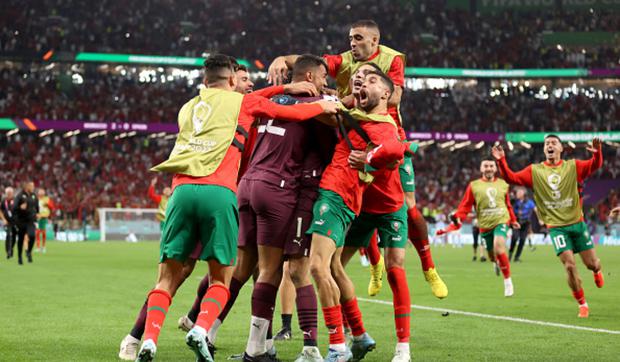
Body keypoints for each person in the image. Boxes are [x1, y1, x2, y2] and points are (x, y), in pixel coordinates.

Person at [132, 54, 337, 362]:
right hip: (241, 191)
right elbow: (289, 113)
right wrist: (326, 104)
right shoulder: (246, 105)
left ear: (204, 81)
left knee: (183, 274)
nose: (248, 84)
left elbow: (260, 103)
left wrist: (285, 89)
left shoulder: (189, 108)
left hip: (205, 189)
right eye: (241, 80)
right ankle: (238, 340)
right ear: (231, 81)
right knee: (252, 273)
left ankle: (146, 337)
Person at [267, 19, 447, 299]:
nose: (352, 42)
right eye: (351, 37)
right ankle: (373, 266)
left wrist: (347, 99)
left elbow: (394, 98)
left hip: (387, 136)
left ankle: (429, 266)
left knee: (407, 204)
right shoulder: (343, 60)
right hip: (353, 134)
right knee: (358, 207)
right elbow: (311, 63)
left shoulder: (393, 59)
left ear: (374, 41)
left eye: (359, 38)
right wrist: (282, 59)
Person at [307, 70, 408, 361]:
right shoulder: (363, 117)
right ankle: (360, 335)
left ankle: (338, 346)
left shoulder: (385, 126)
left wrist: (369, 158)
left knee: (317, 266)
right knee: (336, 267)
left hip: (336, 195)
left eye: (372, 80)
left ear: (387, 95)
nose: (363, 81)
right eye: (360, 78)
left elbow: (394, 152)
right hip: (347, 198)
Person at [493, 135, 604, 318]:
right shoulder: (535, 171)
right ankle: (582, 303)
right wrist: (501, 161)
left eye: (553, 143)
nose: (550, 145)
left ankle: (597, 271)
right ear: (544, 150)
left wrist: (598, 153)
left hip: (577, 224)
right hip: (556, 227)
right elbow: (511, 178)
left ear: (561, 148)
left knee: (592, 264)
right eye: (547, 144)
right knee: (569, 265)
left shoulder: (572, 166)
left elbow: (594, 165)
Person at [437, 158, 519, 297]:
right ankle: (495, 263)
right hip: (485, 225)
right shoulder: (474, 185)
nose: (488, 168)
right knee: (492, 256)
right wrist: (457, 219)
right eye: (486, 166)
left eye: (491, 166)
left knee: (499, 246)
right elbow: (465, 206)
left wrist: (513, 219)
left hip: (501, 220)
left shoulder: (503, 184)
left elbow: (507, 204)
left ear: (495, 168)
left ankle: (508, 281)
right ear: (481, 169)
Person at [13, 181, 39, 264]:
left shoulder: (34, 196)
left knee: (32, 236)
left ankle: (28, 252)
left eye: (33, 186)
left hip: (31, 220)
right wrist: (20, 207)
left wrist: (37, 214)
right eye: (31, 186)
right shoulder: (19, 196)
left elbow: (36, 207)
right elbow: (14, 208)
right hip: (21, 221)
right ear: (26, 187)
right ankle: (20, 257)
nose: (33, 187)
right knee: (20, 239)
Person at [509, 188, 536, 262]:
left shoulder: (529, 202)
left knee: (522, 240)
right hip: (516, 222)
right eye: (517, 192)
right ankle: (510, 254)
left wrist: (540, 219)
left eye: (519, 192)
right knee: (514, 238)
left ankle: (517, 257)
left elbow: (535, 209)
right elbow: (508, 205)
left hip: (525, 223)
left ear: (524, 193)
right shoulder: (514, 201)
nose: (517, 194)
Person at [35, 188, 55, 253]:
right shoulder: (36, 199)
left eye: (42, 192)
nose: (41, 193)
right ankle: (38, 247)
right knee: (37, 232)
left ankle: (43, 247)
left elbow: (52, 207)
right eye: (40, 192)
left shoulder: (47, 199)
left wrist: (47, 205)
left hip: (43, 217)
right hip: (37, 217)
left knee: (43, 232)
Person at [1, 187, 16, 259]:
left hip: (15, 222)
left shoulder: (16, 200)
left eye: (10, 193)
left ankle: (11, 249)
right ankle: (8, 252)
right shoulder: (3, 201)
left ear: (12, 193)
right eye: (7, 193)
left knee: (13, 236)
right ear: (5, 193)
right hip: (7, 222)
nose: (9, 194)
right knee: (9, 235)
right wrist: (3, 219)